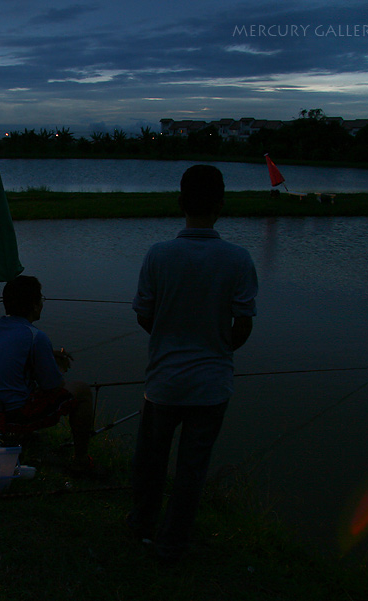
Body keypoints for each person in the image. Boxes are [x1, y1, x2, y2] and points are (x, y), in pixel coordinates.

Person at [128, 164, 258, 562]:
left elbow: (144, 315)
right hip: (212, 386)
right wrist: (218, 346)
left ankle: (141, 529)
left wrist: (169, 336)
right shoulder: (238, 259)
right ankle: (172, 544)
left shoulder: (159, 254)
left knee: (150, 465)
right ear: (220, 206)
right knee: (192, 471)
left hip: (163, 384)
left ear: (181, 203)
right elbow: (243, 324)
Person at [0, 275, 97, 473]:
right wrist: (59, 367)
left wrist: (48, 354)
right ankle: (81, 460)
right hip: (12, 413)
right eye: (40, 299)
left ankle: (15, 435)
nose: (42, 303)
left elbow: (15, 351)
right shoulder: (37, 337)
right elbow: (53, 386)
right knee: (81, 391)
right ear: (34, 305)